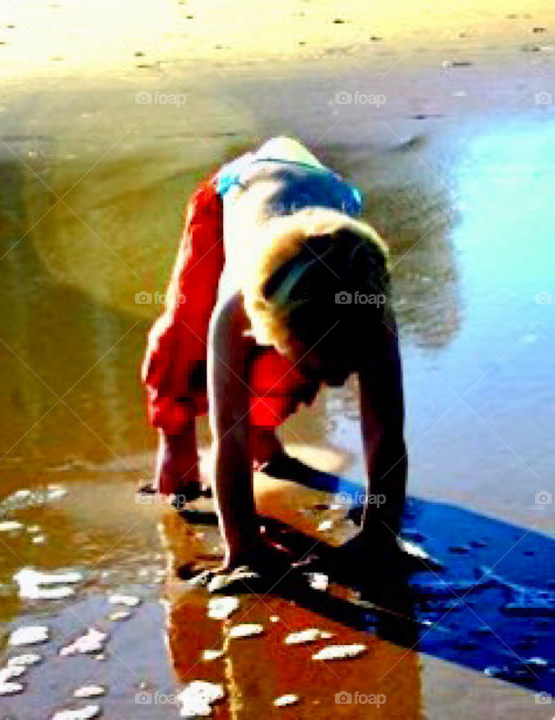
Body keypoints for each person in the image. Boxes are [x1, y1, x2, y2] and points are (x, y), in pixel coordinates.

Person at [142, 137, 407, 570]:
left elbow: (386, 432)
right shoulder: (239, 305)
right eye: (326, 370)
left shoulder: (372, 312)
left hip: (319, 206)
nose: (338, 384)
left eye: (346, 369)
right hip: (235, 190)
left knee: (286, 378)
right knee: (185, 335)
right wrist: (244, 550)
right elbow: (228, 431)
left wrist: (381, 532)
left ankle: (264, 434)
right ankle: (174, 442)